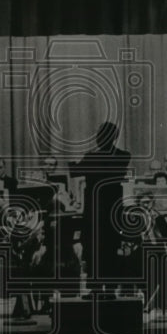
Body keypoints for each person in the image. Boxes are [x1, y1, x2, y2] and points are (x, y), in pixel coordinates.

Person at [69, 122, 131, 285]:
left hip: (94, 213)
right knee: (111, 249)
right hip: (112, 212)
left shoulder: (91, 157)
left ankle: (94, 286)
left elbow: (74, 171)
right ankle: (110, 288)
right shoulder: (124, 156)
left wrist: (73, 157)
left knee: (94, 250)